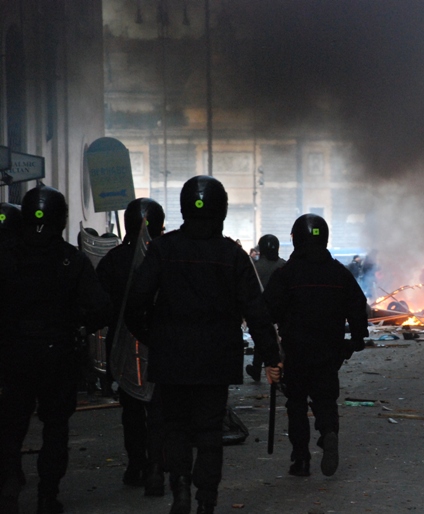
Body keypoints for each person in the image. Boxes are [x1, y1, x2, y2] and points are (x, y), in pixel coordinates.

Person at [125, 176, 275, 514]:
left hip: (172, 358)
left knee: (174, 426)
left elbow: (135, 302)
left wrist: (153, 337)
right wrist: (272, 356)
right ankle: (206, 499)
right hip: (216, 360)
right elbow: (256, 311)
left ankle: (180, 490)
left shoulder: (163, 250)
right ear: (221, 210)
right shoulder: (232, 256)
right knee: (209, 431)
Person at [0, 185, 111, 514]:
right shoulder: (71, 261)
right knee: (55, 427)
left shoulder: (7, 258)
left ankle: (8, 488)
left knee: (11, 424)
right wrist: (77, 324)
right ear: (61, 220)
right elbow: (100, 308)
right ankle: (47, 496)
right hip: (57, 354)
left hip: (13, 353)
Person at [259, 214, 369, 477]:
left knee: (296, 403)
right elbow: (358, 308)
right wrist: (353, 342)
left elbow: (267, 313)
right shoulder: (339, 273)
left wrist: (271, 355)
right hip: (329, 351)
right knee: (325, 399)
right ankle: (329, 432)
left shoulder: (286, 274)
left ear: (296, 239)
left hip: (296, 351)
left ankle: (301, 459)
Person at [96, 198, 166, 496]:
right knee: (160, 411)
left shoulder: (113, 260)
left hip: (124, 349)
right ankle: (156, 468)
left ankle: (137, 463)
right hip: (161, 345)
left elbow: (99, 306)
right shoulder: (167, 256)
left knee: (132, 412)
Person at [245, 234, 286, 382]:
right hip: (281, 311)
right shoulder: (284, 266)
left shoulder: (254, 268)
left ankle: (258, 368)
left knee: (263, 338)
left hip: (261, 310)